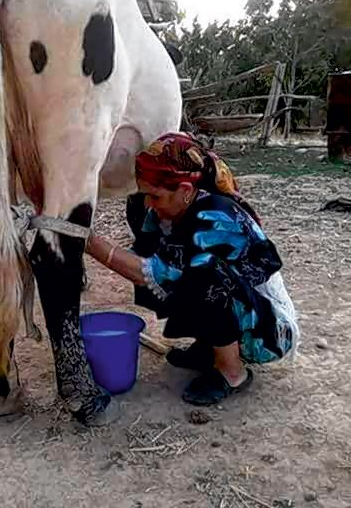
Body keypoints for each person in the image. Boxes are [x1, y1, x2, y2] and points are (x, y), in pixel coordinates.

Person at [85, 132, 299, 406]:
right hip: (240, 306)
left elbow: (159, 272)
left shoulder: (215, 216)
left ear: (185, 190)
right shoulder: (163, 215)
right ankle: (210, 349)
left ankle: (232, 371)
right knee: (170, 281)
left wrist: (89, 242)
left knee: (204, 278)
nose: (148, 204)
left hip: (266, 330)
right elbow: (142, 261)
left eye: (155, 196)